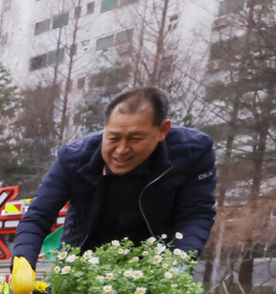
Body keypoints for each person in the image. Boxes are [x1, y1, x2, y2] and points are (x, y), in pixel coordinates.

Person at [11, 86, 216, 266]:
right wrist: (23, 266)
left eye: (135, 138)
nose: (121, 149)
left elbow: (195, 214)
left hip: (156, 263)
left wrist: (177, 267)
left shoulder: (192, 151)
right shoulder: (74, 158)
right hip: (82, 259)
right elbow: (38, 214)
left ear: (162, 130)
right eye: (113, 138)